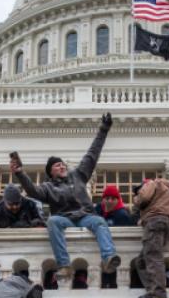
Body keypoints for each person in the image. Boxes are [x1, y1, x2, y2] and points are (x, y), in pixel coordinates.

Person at [12, 112, 119, 281]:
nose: (61, 166)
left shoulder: (79, 175)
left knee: (99, 221)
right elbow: (32, 191)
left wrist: (104, 129)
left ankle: (109, 257)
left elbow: (92, 153)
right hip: (65, 219)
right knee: (53, 221)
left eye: (62, 163)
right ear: (51, 172)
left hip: (85, 216)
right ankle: (64, 264)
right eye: (57, 165)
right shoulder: (48, 187)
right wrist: (20, 173)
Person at [131, 176, 169, 298]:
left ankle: (159, 296)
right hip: (165, 223)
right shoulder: (166, 191)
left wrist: (136, 200)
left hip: (156, 220)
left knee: (153, 257)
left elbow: (144, 198)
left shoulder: (152, 183)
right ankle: (153, 294)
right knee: (141, 261)